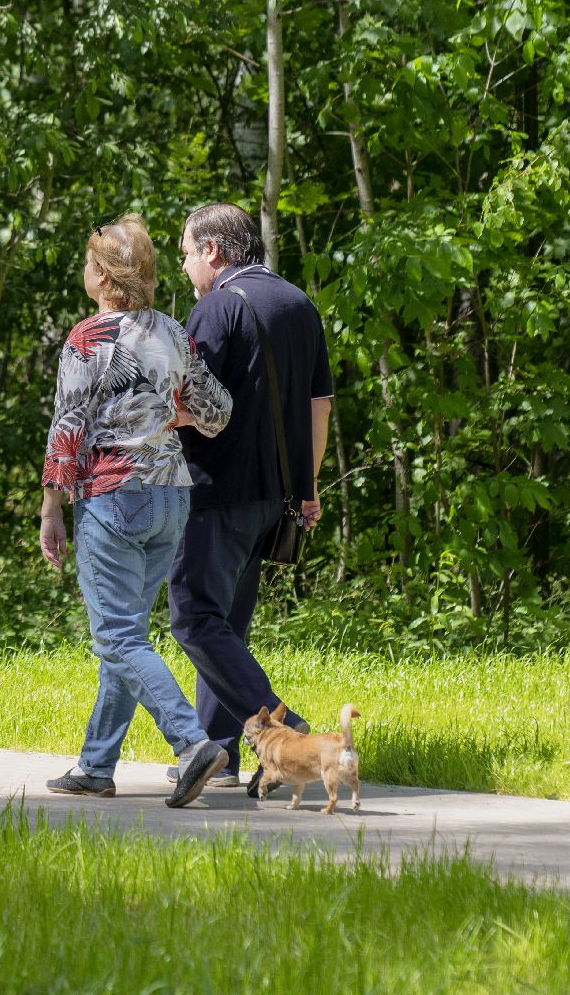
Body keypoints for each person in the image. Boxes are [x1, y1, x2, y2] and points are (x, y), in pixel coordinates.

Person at [38, 215, 235, 808]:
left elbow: (67, 428)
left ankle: (191, 741)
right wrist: (167, 413)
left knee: (119, 636)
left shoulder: (87, 339)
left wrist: (51, 506)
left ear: (101, 275)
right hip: (172, 496)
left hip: (113, 498)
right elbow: (218, 411)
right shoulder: (173, 332)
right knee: (126, 633)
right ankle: (96, 765)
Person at [166, 202, 333, 797]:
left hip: (216, 490)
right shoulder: (299, 303)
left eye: (186, 253)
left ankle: (286, 729)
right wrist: (308, 488)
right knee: (225, 624)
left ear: (212, 250)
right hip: (275, 496)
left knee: (191, 615)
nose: (185, 267)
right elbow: (320, 406)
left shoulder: (216, 307)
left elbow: (188, 398)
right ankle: (222, 756)